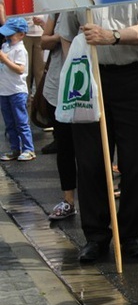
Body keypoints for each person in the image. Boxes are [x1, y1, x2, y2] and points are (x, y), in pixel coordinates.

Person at [59, 0, 138, 263]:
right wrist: (72, 71)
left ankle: (130, 234)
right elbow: (66, 36)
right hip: (91, 76)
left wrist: (112, 37)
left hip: (137, 78)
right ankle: (95, 236)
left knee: (136, 162)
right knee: (90, 160)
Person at [41, 14, 78, 219]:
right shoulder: (57, 9)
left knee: (93, 151)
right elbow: (43, 41)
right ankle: (68, 200)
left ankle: (102, 202)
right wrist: (60, 36)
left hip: (88, 87)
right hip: (58, 88)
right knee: (65, 147)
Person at [0, 17, 35, 162]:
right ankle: (15, 148)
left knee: (21, 121)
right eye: (6, 34)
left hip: (17, 91)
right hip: (4, 90)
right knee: (9, 123)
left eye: (11, 34)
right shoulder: (5, 47)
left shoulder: (20, 49)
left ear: (22, 34)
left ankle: (29, 149)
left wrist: (5, 60)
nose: (8, 37)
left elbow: (20, 69)